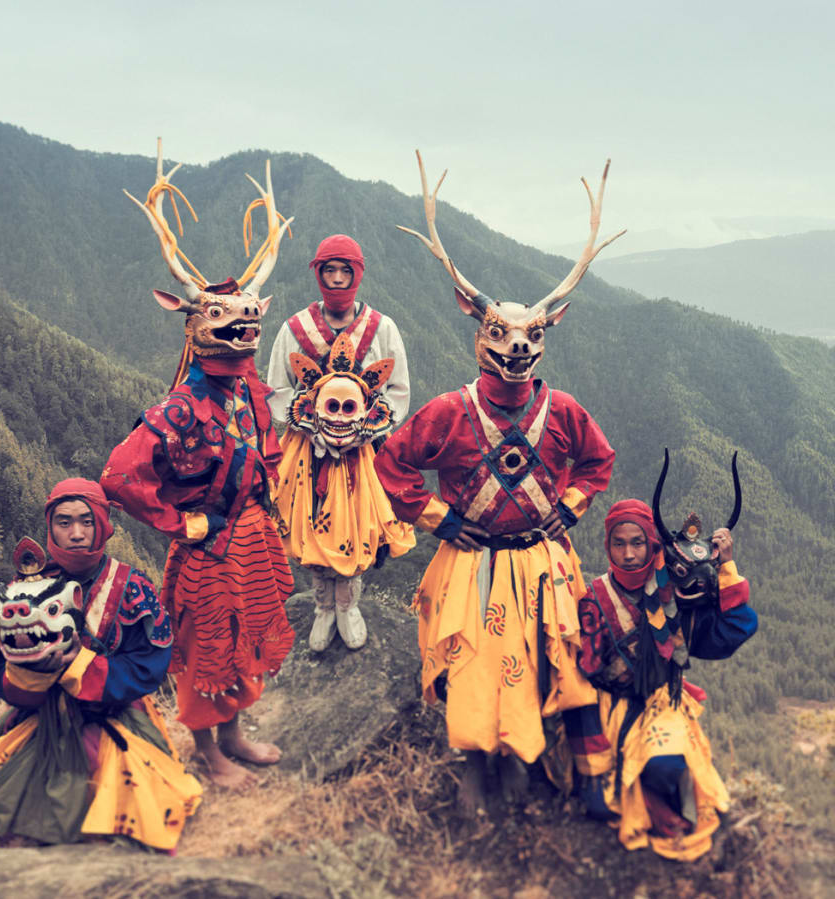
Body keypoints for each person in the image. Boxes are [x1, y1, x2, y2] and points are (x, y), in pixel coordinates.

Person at [376, 152, 620, 813]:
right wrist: (438, 518)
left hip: (541, 556)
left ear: (547, 333)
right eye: (502, 332)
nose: (517, 345)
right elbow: (392, 461)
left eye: (531, 334)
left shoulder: (562, 410)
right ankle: (477, 765)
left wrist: (571, 507)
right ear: (479, 330)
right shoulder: (450, 411)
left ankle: (526, 759)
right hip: (473, 557)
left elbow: (598, 461)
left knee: (550, 658)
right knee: (473, 660)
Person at [103, 146, 295, 788]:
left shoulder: (249, 392)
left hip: (251, 535)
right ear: (192, 324)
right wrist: (179, 522)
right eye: (222, 318)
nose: (242, 327)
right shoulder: (180, 408)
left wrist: (266, 504)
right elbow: (120, 476)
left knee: (244, 639)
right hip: (208, 544)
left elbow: (267, 451)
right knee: (207, 641)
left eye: (247, 317)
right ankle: (208, 753)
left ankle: (234, 735)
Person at [0, 479, 202, 850]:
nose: (76, 533)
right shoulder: (22, 589)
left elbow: (150, 666)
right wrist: (32, 672)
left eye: (86, 521)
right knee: (5, 807)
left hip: (113, 713)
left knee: (125, 794)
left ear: (102, 525)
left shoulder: (131, 587)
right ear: (50, 526)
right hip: (41, 714)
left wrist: (80, 665)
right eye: (64, 522)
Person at [562, 499, 758, 862]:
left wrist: (726, 567)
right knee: (599, 804)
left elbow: (736, 628)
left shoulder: (675, 596)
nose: (628, 554)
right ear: (607, 545)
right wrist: (591, 755)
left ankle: (669, 788)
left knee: (665, 767)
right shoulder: (594, 600)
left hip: (661, 702)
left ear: (652, 544)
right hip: (609, 707)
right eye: (619, 543)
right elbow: (580, 678)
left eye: (638, 543)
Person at [265, 234, 414, 651]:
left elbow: (398, 390)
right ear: (317, 273)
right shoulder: (294, 329)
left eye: (343, 271)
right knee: (311, 522)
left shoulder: (382, 329)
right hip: (307, 448)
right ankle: (322, 605)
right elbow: (277, 388)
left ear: (357, 274)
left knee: (356, 523)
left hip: (362, 448)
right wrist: (313, 426)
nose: (335, 279)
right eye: (328, 270)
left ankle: (347, 604)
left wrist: (364, 429)